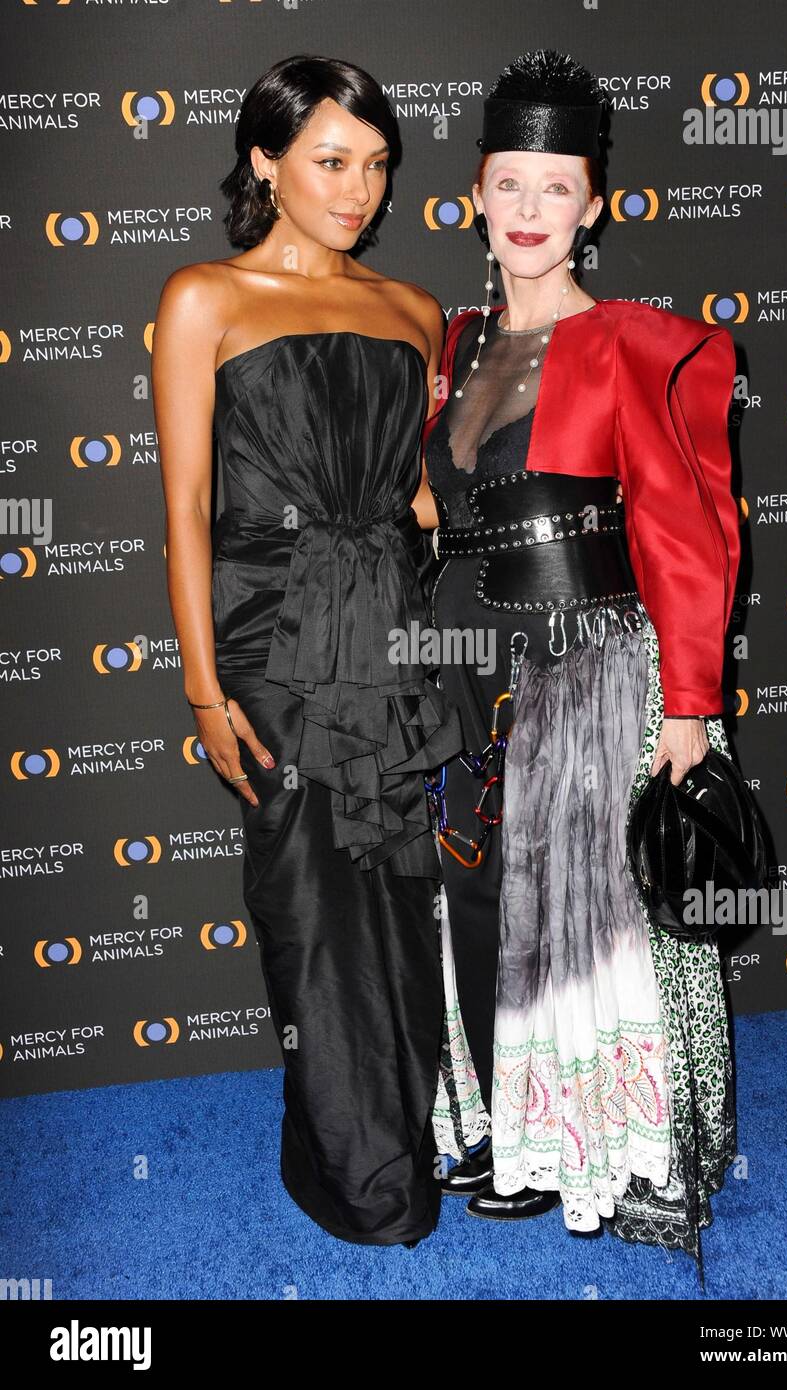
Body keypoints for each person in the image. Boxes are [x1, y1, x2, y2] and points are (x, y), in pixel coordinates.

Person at [421, 49, 740, 1278]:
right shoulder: (453, 342)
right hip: (466, 656)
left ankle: (604, 1148)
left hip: (594, 667)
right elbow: (435, 508)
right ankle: (508, 1128)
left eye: (559, 185)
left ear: (595, 202)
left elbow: (688, 530)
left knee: (588, 915)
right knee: (482, 894)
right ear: (478, 194)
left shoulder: (642, 347)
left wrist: (690, 706)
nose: (532, 208)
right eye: (511, 181)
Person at [152, 54, 465, 1248]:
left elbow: (415, 490)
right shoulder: (204, 298)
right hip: (270, 635)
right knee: (308, 899)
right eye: (332, 161)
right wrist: (199, 682)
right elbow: (185, 504)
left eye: (378, 165)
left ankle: (395, 1134)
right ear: (264, 162)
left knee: (393, 888)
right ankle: (358, 1173)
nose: (359, 190)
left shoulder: (413, 313)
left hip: (385, 623)